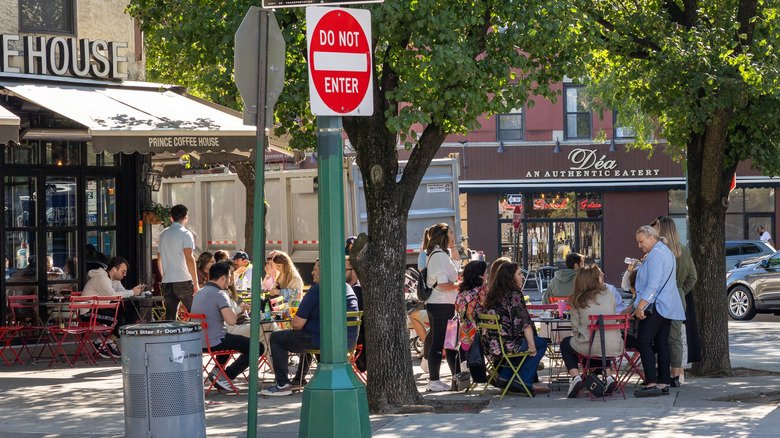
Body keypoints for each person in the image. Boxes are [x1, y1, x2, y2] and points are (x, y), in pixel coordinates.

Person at [260, 259, 359, 396]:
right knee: (305, 336)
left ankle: (282, 384)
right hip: (348, 342)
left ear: (324, 271)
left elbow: (297, 324)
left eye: (315, 269)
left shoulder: (318, 288)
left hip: (324, 341)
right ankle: (299, 378)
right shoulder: (347, 287)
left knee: (276, 337)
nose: (312, 272)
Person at [632, 225, 686, 397]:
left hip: (656, 305)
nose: (640, 245)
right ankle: (663, 381)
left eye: (641, 241)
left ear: (651, 238)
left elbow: (653, 284)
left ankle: (652, 381)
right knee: (662, 343)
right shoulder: (664, 251)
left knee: (644, 340)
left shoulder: (657, 254)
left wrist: (641, 305)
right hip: (667, 304)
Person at [482, 262, 548, 395]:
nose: (522, 276)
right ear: (510, 277)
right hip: (506, 345)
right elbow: (525, 324)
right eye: (519, 274)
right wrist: (532, 345)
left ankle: (505, 377)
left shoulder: (492, 294)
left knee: (523, 345)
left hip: (490, 344)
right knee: (540, 344)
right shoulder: (514, 295)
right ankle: (522, 380)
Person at [191, 261, 258, 392]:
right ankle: (226, 376)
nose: (230, 280)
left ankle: (217, 370)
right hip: (215, 341)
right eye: (229, 277)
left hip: (199, 341)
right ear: (222, 278)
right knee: (256, 347)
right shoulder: (220, 294)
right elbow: (232, 321)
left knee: (230, 338)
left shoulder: (199, 293)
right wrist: (239, 310)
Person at [560, 265, 623, 398]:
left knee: (566, 344)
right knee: (599, 341)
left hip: (592, 345)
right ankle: (609, 376)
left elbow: (575, 328)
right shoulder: (609, 294)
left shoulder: (577, 298)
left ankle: (575, 377)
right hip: (614, 344)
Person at [652, 216, 699, 387]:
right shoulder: (684, 250)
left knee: (659, 335)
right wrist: (681, 291)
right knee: (675, 336)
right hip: (678, 296)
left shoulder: (659, 250)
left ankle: (664, 373)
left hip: (661, 296)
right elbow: (693, 277)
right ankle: (677, 373)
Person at [423, 223, 461, 392]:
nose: (453, 237)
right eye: (451, 234)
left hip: (444, 303)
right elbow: (443, 284)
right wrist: (459, 285)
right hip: (440, 303)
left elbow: (456, 267)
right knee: (439, 342)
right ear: (444, 236)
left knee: (446, 342)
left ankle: (447, 378)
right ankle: (434, 380)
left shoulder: (441, 255)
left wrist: (453, 248)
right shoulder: (438, 256)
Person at [81, 256, 144, 358]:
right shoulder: (102, 279)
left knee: (132, 316)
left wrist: (133, 291)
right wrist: (132, 292)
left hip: (101, 308)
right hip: (88, 311)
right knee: (119, 320)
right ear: (115, 270)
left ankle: (107, 341)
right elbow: (113, 295)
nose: (125, 274)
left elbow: (122, 291)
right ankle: (102, 342)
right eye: (123, 271)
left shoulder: (114, 279)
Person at [157, 204, 198, 320]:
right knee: (195, 312)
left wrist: (164, 276)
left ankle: (170, 338)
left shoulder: (163, 234)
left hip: (167, 282)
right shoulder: (186, 234)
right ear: (186, 217)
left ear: (171, 217)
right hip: (183, 280)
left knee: (170, 316)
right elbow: (189, 258)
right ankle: (196, 338)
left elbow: (159, 259)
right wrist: (196, 283)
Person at [455, 260, 487, 351]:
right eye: (486, 273)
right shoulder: (482, 292)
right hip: (480, 336)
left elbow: (458, 309)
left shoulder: (462, 293)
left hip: (463, 335)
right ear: (481, 276)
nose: (487, 275)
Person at [346, 256, 367, 372]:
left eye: (344, 270)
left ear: (354, 271)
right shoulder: (352, 289)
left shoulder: (356, 291)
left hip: (354, 341)